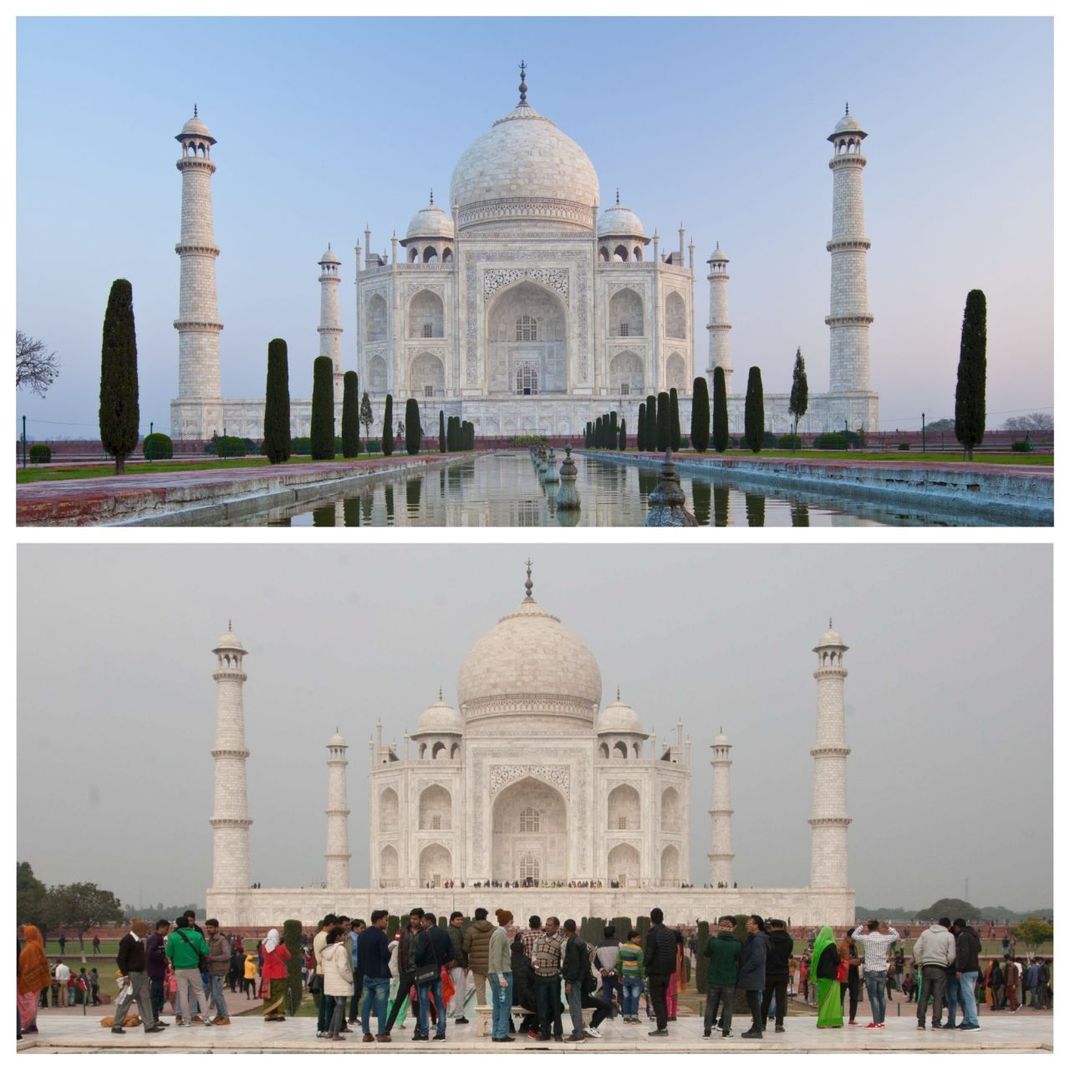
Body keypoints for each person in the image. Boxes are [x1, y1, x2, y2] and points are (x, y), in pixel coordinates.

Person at [111, 919, 165, 1035]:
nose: (146, 932)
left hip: (142, 974)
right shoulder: (127, 940)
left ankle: (149, 1025)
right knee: (126, 1000)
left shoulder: (139, 941)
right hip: (132, 975)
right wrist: (125, 975)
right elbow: (120, 959)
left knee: (145, 999)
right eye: (145, 929)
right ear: (139, 929)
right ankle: (116, 1025)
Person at [382, 909, 424, 1038]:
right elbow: (400, 953)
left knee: (420, 1002)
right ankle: (387, 1029)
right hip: (406, 972)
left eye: (415, 919)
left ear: (421, 919)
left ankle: (418, 1030)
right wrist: (401, 971)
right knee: (398, 1001)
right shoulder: (405, 932)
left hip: (419, 972)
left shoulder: (425, 934)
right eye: (411, 918)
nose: (413, 921)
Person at [851, 918, 900, 1028]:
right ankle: (881, 1021)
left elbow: (854, 935)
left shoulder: (867, 938)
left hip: (871, 971)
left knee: (873, 997)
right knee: (881, 996)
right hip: (882, 970)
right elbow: (896, 935)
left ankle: (876, 1021)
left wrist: (861, 926)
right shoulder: (885, 939)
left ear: (869, 927)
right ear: (877, 927)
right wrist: (889, 928)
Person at [165, 917, 212, 1027]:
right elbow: (205, 951)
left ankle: (186, 1020)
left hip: (180, 969)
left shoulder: (173, 937)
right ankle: (206, 1018)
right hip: (194, 968)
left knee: (183, 994)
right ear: (188, 924)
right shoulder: (197, 935)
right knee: (199, 992)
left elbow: (169, 953)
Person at [414, 909, 452, 1041]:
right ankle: (441, 1032)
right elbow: (451, 954)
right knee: (440, 1003)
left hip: (425, 972)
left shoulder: (424, 935)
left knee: (424, 1003)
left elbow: (418, 955)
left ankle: (424, 1032)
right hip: (438, 971)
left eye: (423, 921)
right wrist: (440, 962)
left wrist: (419, 963)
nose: (421, 923)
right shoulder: (444, 934)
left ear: (429, 921)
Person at [912, 917, 956, 1029]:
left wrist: (919, 962)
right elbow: (952, 955)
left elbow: (916, 949)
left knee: (924, 995)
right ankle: (936, 1022)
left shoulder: (926, 933)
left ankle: (921, 1022)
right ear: (949, 926)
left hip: (927, 966)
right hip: (940, 967)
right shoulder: (949, 936)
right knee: (938, 996)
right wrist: (946, 962)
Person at [357, 909, 392, 1042]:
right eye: (385, 919)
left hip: (367, 974)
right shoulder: (381, 936)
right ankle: (381, 1033)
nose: (387, 922)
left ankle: (366, 1033)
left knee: (366, 1004)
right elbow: (385, 955)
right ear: (378, 920)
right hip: (380, 975)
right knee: (381, 1005)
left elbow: (360, 956)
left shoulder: (362, 935)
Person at [703, 915, 740, 1038]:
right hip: (729, 979)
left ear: (720, 929)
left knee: (710, 1006)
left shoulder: (713, 942)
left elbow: (706, 953)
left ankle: (707, 1032)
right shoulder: (736, 944)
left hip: (714, 978)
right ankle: (725, 1032)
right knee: (728, 1007)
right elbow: (738, 958)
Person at [530, 917, 565, 1041]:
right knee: (542, 1006)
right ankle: (544, 1033)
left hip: (553, 978)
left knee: (555, 1006)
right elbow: (534, 953)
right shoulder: (538, 939)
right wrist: (534, 962)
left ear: (556, 927)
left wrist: (559, 973)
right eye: (546, 924)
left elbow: (563, 959)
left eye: (550, 925)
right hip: (540, 977)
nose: (547, 927)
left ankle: (557, 1033)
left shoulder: (562, 941)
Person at [644, 907, 677, 1036]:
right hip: (667, 971)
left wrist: (644, 966)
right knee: (662, 998)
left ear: (651, 919)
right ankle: (663, 1026)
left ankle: (662, 1027)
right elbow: (673, 951)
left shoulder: (652, 933)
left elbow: (649, 953)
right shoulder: (670, 933)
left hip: (656, 971)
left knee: (657, 999)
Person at [737, 915, 769, 1038]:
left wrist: (744, 970)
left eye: (749, 923)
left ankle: (757, 1030)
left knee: (754, 1003)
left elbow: (757, 959)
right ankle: (756, 1027)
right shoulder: (754, 938)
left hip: (753, 976)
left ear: (756, 925)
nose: (746, 925)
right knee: (753, 1002)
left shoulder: (758, 939)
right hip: (753, 976)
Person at [320, 925, 352, 1041]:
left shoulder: (327, 950)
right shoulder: (340, 949)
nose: (346, 936)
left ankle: (330, 1031)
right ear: (338, 937)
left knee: (337, 1007)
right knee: (340, 1006)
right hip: (341, 981)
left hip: (332, 982)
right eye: (344, 934)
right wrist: (350, 979)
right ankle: (335, 1034)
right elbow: (343, 968)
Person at [17, 926, 51, 1035]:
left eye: (25, 933)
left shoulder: (30, 948)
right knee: (33, 1003)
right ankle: (32, 1026)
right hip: (37, 980)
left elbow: (23, 965)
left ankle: (26, 1025)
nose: (24, 935)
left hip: (27, 981)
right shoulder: (38, 946)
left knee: (26, 1003)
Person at [762, 919, 794, 1033]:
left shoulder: (768, 939)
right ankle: (779, 1024)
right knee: (780, 1000)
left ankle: (762, 1024)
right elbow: (788, 954)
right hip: (782, 973)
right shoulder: (789, 940)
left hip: (768, 973)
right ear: (782, 926)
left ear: (772, 927)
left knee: (765, 999)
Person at [487, 908, 514, 1042]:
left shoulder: (500, 934)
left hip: (498, 973)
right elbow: (496, 957)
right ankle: (501, 1033)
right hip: (502, 973)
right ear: (509, 921)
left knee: (498, 1004)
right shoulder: (499, 935)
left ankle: (496, 1032)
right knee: (504, 1004)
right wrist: (501, 976)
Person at [462, 907, 495, 1009]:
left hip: (476, 965)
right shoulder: (494, 930)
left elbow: (466, 948)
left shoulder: (470, 930)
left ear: (476, 917)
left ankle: (482, 1016)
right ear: (486, 916)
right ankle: (497, 1013)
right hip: (491, 964)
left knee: (480, 991)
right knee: (496, 990)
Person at [812, 926, 842, 1028]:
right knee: (832, 998)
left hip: (820, 975)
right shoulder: (831, 945)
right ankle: (832, 1020)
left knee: (822, 997)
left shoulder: (818, 945)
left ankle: (822, 1020)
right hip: (830, 975)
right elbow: (837, 960)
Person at [260, 928, 292, 1021]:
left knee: (268, 993)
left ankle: (268, 1014)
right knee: (279, 993)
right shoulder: (281, 948)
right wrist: (283, 945)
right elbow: (288, 956)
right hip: (278, 974)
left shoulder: (264, 947)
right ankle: (279, 1014)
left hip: (267, 974)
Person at [204, 919, 231, 1025]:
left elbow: (227, 955)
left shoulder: (222, 940)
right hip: (211, 970)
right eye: (207, 927)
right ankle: (220, 1015)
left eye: (210, 927)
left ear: (216, 928)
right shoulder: (210, 940)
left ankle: (225, 1016)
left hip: (219, 970)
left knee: (217, 994)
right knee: (215, 995)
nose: (208, 929)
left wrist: (212, 958)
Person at [510, 932, 538, 1035]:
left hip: (511, 998)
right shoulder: (527, 962)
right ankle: (525, 1025)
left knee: (503, 1001)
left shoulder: (507, 962)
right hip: (524, 998)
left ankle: (510, 1026)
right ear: (524, 950)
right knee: (537, 1001)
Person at [446, 911, 470, 1024]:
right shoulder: (454, 932)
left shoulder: (452, 930)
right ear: (452, 920)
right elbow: (458, 950)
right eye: (458, 919)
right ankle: (459, 1015)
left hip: (451, 964)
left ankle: (446, 1014)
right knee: (460, 990)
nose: (460, 921)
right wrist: (464, 965)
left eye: (461, 919)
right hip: (456, 965)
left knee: (448, 990)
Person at [145, 920, 171, 1023]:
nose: (167, 931)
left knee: (158, 995)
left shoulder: (159, 938)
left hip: (158, 971)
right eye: (166, 929)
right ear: (160, 927)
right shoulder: (154, 939)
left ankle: (155, 1018)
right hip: (155, 971)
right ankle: (153, 1019)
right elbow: (150, 953)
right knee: (155, 995)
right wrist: (162, 958)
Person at [617, 929, 644, 1023]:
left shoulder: (622, 947)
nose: (639, 939)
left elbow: (619, 963)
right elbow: (641, 964)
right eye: (638, 937)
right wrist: (642, 976)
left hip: (625, 976)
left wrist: (619, 975)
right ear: (632, 938)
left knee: (626, 996)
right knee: (635, 996)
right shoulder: (638, 949)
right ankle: (634, 1017)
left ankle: (626, 1016)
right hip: (635, 976)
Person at [593, 926, 621, 1016]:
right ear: (614, 933)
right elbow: (622, 959)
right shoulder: (619, 945)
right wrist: (614, 970)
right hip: (616, 975)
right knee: (623, 994)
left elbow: (595, 960)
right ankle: (626, 1015)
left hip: (605, 975)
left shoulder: (598, 946)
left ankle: (607, 1015)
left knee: (606, 996)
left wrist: (602, 970)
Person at [837, 933, 860, 1024]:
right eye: (853, 939)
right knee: (840, 997)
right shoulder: (841, 946)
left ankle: (852, 1018)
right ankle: (838, 1017)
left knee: (854, 997)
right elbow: (838, 960)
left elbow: (855, 958)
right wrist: (850, 962)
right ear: (848, 937)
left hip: (854, 975)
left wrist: (858, 961)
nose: (854, 941)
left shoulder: (854, 947)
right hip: (844, 975)